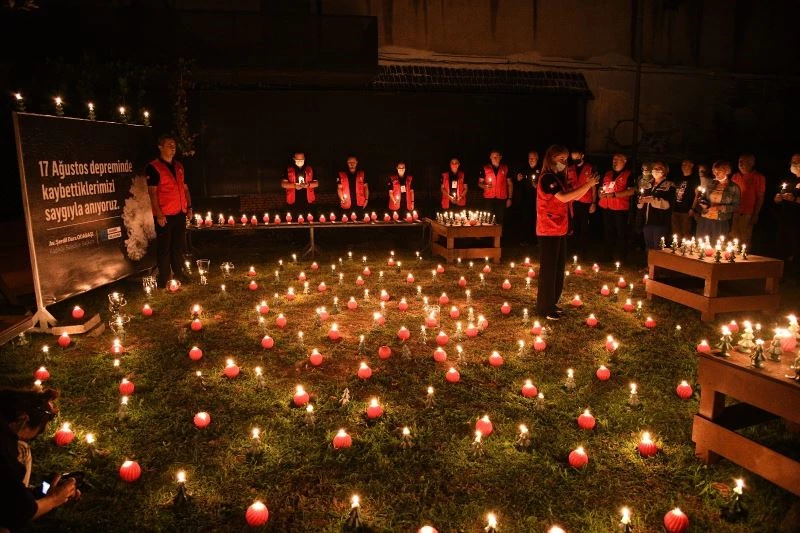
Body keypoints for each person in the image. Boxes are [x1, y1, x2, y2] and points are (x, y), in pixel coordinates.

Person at [1, 388, 80, 532]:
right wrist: (55, 498)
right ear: (23, 420)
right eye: (33, 435)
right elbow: (21, 512)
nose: (20, 440)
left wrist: (39, 492)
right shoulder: (4, 449)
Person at [536, 145, 599, 321]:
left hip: (559, 228)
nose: (565, 162)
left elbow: (574, 196)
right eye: (561, 159)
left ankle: (552, 303)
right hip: (548, 229)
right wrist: (588, 184)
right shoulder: (547, 178)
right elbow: (563, 197)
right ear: (551, 159)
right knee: (549, 270)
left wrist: (587, 187)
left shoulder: (558, 178)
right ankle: (544, 308)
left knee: (558, 269)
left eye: (566, 159)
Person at [146, 135, 192, 288]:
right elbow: (152, 193)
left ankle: (179, 274)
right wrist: (158, 213)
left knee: (178, 246)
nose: (173, 148)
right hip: (164, 215)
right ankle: (165, 278)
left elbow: (185, 188)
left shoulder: (179, 166)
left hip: (180, 212)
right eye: (169, 145)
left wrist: (189, 207)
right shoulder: (153, 167)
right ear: (160, 147)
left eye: (174, 145)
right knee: (164, 248)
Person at [597, 153, 634, 262]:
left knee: (621, 233)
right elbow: (601, 187)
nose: (615, 161)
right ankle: (607, 255)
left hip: (620, 209)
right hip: (607, 207)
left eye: (618, 159)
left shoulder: (629, 174)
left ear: (624, 161)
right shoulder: (608, 173)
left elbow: (631, 191)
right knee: (608, 232)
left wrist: (614, 195)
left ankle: (622, 257)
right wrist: (600, 193)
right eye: (614, 159)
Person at [695, 160, 741, 242]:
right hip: (705, 218)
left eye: (719, 171)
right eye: (714, 171)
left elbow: (736, 206)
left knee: (716, 244)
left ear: (727, 171)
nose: (716, 174)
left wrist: (720, 207)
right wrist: (703, 203)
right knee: (701, 243)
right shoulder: (710, 184)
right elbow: (703, 198)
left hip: (720, 221)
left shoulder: (734, 187)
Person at [637, 161, 675, 252]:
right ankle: (649, 262)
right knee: (649, 249)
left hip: (660, 223)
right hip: (647, 222)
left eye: (659, 168)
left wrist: (652, 200)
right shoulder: (648, 184)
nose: (656, 170)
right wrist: (640, 201)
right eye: (654, 168)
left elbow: (668, 205)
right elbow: (641, 203)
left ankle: (658, 262)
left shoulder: (669, 185)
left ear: (665, 171)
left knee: (658, 249)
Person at [566, 149, 596, 259]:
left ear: (582, 156)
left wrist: (593, 202)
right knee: (574, 226)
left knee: (584, 227)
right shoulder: (570, 169)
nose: (575, 160)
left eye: (577, 157)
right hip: (573, 201)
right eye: (573, 158)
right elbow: (567, 183)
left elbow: (594, 187)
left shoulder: (590, 168)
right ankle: (573, 250)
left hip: (585, 201)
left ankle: (583, 252)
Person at [773, 153, 800, 276]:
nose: (794, 164)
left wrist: (795, 199)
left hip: (797, 220)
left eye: (797, 162)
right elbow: (779, 196)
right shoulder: (790, 180)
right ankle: (781, 274)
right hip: (786, 218)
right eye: (792, 162)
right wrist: (778, 199)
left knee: (796, 245)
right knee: (783, 246)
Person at [730, 153, 765, 246]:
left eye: (743, 161)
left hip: (748, 213)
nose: (740, 164)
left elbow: (760, 197)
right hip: (735, 212)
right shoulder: (735, 176)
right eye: (739, 161)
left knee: (744, 238)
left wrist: (756, 214)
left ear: (751, 163)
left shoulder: (758, 177)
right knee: (733, 237)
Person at [477, 150, 513, 225]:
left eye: (497, 156)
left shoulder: (505, 168)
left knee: (500, 220)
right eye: (493, 156)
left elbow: (510, 183)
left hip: (501, 199)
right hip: (488, 199)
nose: (495, 158)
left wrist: (510, 198)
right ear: (490, 157)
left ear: (500, 157)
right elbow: (479, 183)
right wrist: (485, 186)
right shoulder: (485, 168)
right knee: (488, 219)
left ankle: (498, 232)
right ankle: (487, 232)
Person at [513, 151, 539, 245]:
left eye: (532, 158)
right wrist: (518, 178)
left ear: (537, 159)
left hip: (537, 199)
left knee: (536, 219)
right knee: (525, 219)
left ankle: (536, 240)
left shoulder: (540, 169)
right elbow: (517, 181)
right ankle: (525, 239)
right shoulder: (524, 169)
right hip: (525, 199)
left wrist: (537, 185)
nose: (531, 160)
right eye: (529, 158)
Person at [671, 159, 699, 239]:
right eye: (683, 164)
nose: (683, 166)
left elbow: (697, 195)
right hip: (675, 209)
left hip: (686, 210)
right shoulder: (678, 178)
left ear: (691, 165)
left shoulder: (694, 179)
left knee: (686, 232)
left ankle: (686, 246)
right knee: (676, 233)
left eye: (686, 164)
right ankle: (676, 246)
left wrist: (692, 208)